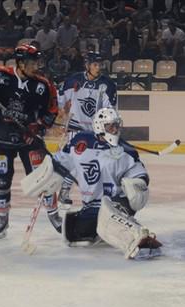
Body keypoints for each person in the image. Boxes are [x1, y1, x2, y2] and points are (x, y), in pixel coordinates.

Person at [21, 108, 162, 260]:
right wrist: (47, 176)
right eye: (110, 126)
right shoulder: (80, 142)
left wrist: (137, 185)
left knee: (106, 213)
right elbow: (60, 162)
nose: (115, 130)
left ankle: (138, 238)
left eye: (116, 126)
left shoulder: (125, 151)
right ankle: (112, 230)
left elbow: (140, 175)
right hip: (91, 207)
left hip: (117, 202)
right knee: (77, 231)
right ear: (100, 127)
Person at [0, 44, 60, 239]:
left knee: (44, 178)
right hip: (0, 138)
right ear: (21, 63)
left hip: (29, 139)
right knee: (0, 180)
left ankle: (54, 215)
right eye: (33, 62)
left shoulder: (43, 84)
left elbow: (52, 109)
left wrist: (39, 126)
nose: (36, 66)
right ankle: (2, 218)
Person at [57, 52, 118, 205]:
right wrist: (59, 114)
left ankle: (103, 193)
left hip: (96, 131)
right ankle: (64, 190)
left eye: (100, 64)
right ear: (87, 65)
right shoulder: (74, 80)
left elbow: (110, 111)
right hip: (76, 128)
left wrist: (107, 129)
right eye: (95, 65)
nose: (99, 68)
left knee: (100, 162)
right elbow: (59, 100)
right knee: (74, 161)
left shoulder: (108, 85)